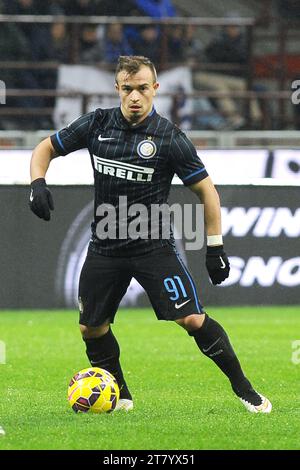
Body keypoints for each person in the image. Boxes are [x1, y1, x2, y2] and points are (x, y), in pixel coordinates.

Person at [29, 55, 271, 413]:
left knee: (191, 318)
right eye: (127, 89)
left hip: (153, 246)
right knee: (91, 329)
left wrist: (215, 247)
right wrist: (37, 182)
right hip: (104, 247)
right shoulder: (97, 124)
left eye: (143, 88)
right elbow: (45, 148)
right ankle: (122, 396)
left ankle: (245, 390)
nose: (135, 97)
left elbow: (208, 192)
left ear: (155, 89)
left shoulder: (170, 139)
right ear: (117, 89)